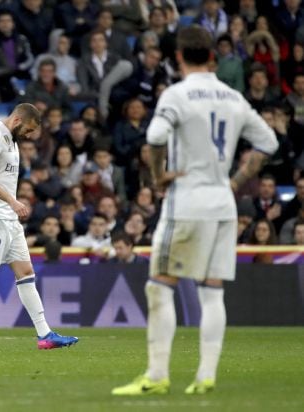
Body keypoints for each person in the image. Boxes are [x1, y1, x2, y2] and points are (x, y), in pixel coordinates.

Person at [112, 26, 279, 396]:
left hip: (186, 203)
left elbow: (155, 137)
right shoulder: (233, 97)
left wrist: (158, 176)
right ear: (213, 58)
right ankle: (205, 376)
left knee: (160, 288)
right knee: (212, 292)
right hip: (223, 204)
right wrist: (236, 181)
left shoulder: (177, 94)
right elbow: (268, 142)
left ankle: (156, 377)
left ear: (178, 58)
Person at [0, 103, 78, 351]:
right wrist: (12, 201)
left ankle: (45, 335)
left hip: (8, 219)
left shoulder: (12, 141)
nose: (30, 135)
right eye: (29, 129)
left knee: (26, 272)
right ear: (17, 121)